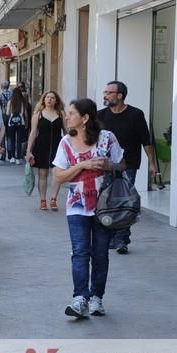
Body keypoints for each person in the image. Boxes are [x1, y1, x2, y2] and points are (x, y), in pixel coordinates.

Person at [53, 98, 124, 318]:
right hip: (77, 206)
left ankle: (96, 298)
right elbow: (58, 176)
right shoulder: (65, 142)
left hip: (104, 207)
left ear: (84, 119)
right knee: (80, 253)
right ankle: (79, 298)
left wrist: (109, 165)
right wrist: (82, 165)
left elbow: (123, 164)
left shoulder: (107, 139)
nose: (67, 116)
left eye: (71, 113)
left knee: (100, 254)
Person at [97, 81, 158, 255]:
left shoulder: (136, 115)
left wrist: (152, 163)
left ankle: (122, 239)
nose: (105, 95)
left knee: (124, 201)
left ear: (120, 95)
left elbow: (146, 141)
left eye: (109, 92)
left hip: (128, 166)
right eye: (105, 92)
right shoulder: (100, 116)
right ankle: (108, 236)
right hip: (104, 167)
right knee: (105, 201)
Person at [26, 91, 66, 211]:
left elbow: (66, 131)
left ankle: (53, 199)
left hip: (57, 146)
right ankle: (43, 200)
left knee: (57, 174)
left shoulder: (61, 113)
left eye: (52, 98)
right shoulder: (38, 114)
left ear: (56, 100)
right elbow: (33, 133)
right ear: (43, 100)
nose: (49, 99)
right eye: (47, 97)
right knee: (43, 174)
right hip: (41, 145)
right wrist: (28, 150)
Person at [5, 86, 28, 164]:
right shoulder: (22, 102)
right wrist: (27, 123)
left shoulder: (10, 102)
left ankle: (12, 157)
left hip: (11, 123)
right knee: (19, 141)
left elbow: (7, 113)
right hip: (20, 123)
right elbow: (25, 113)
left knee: (12, 139)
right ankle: (18, 157)